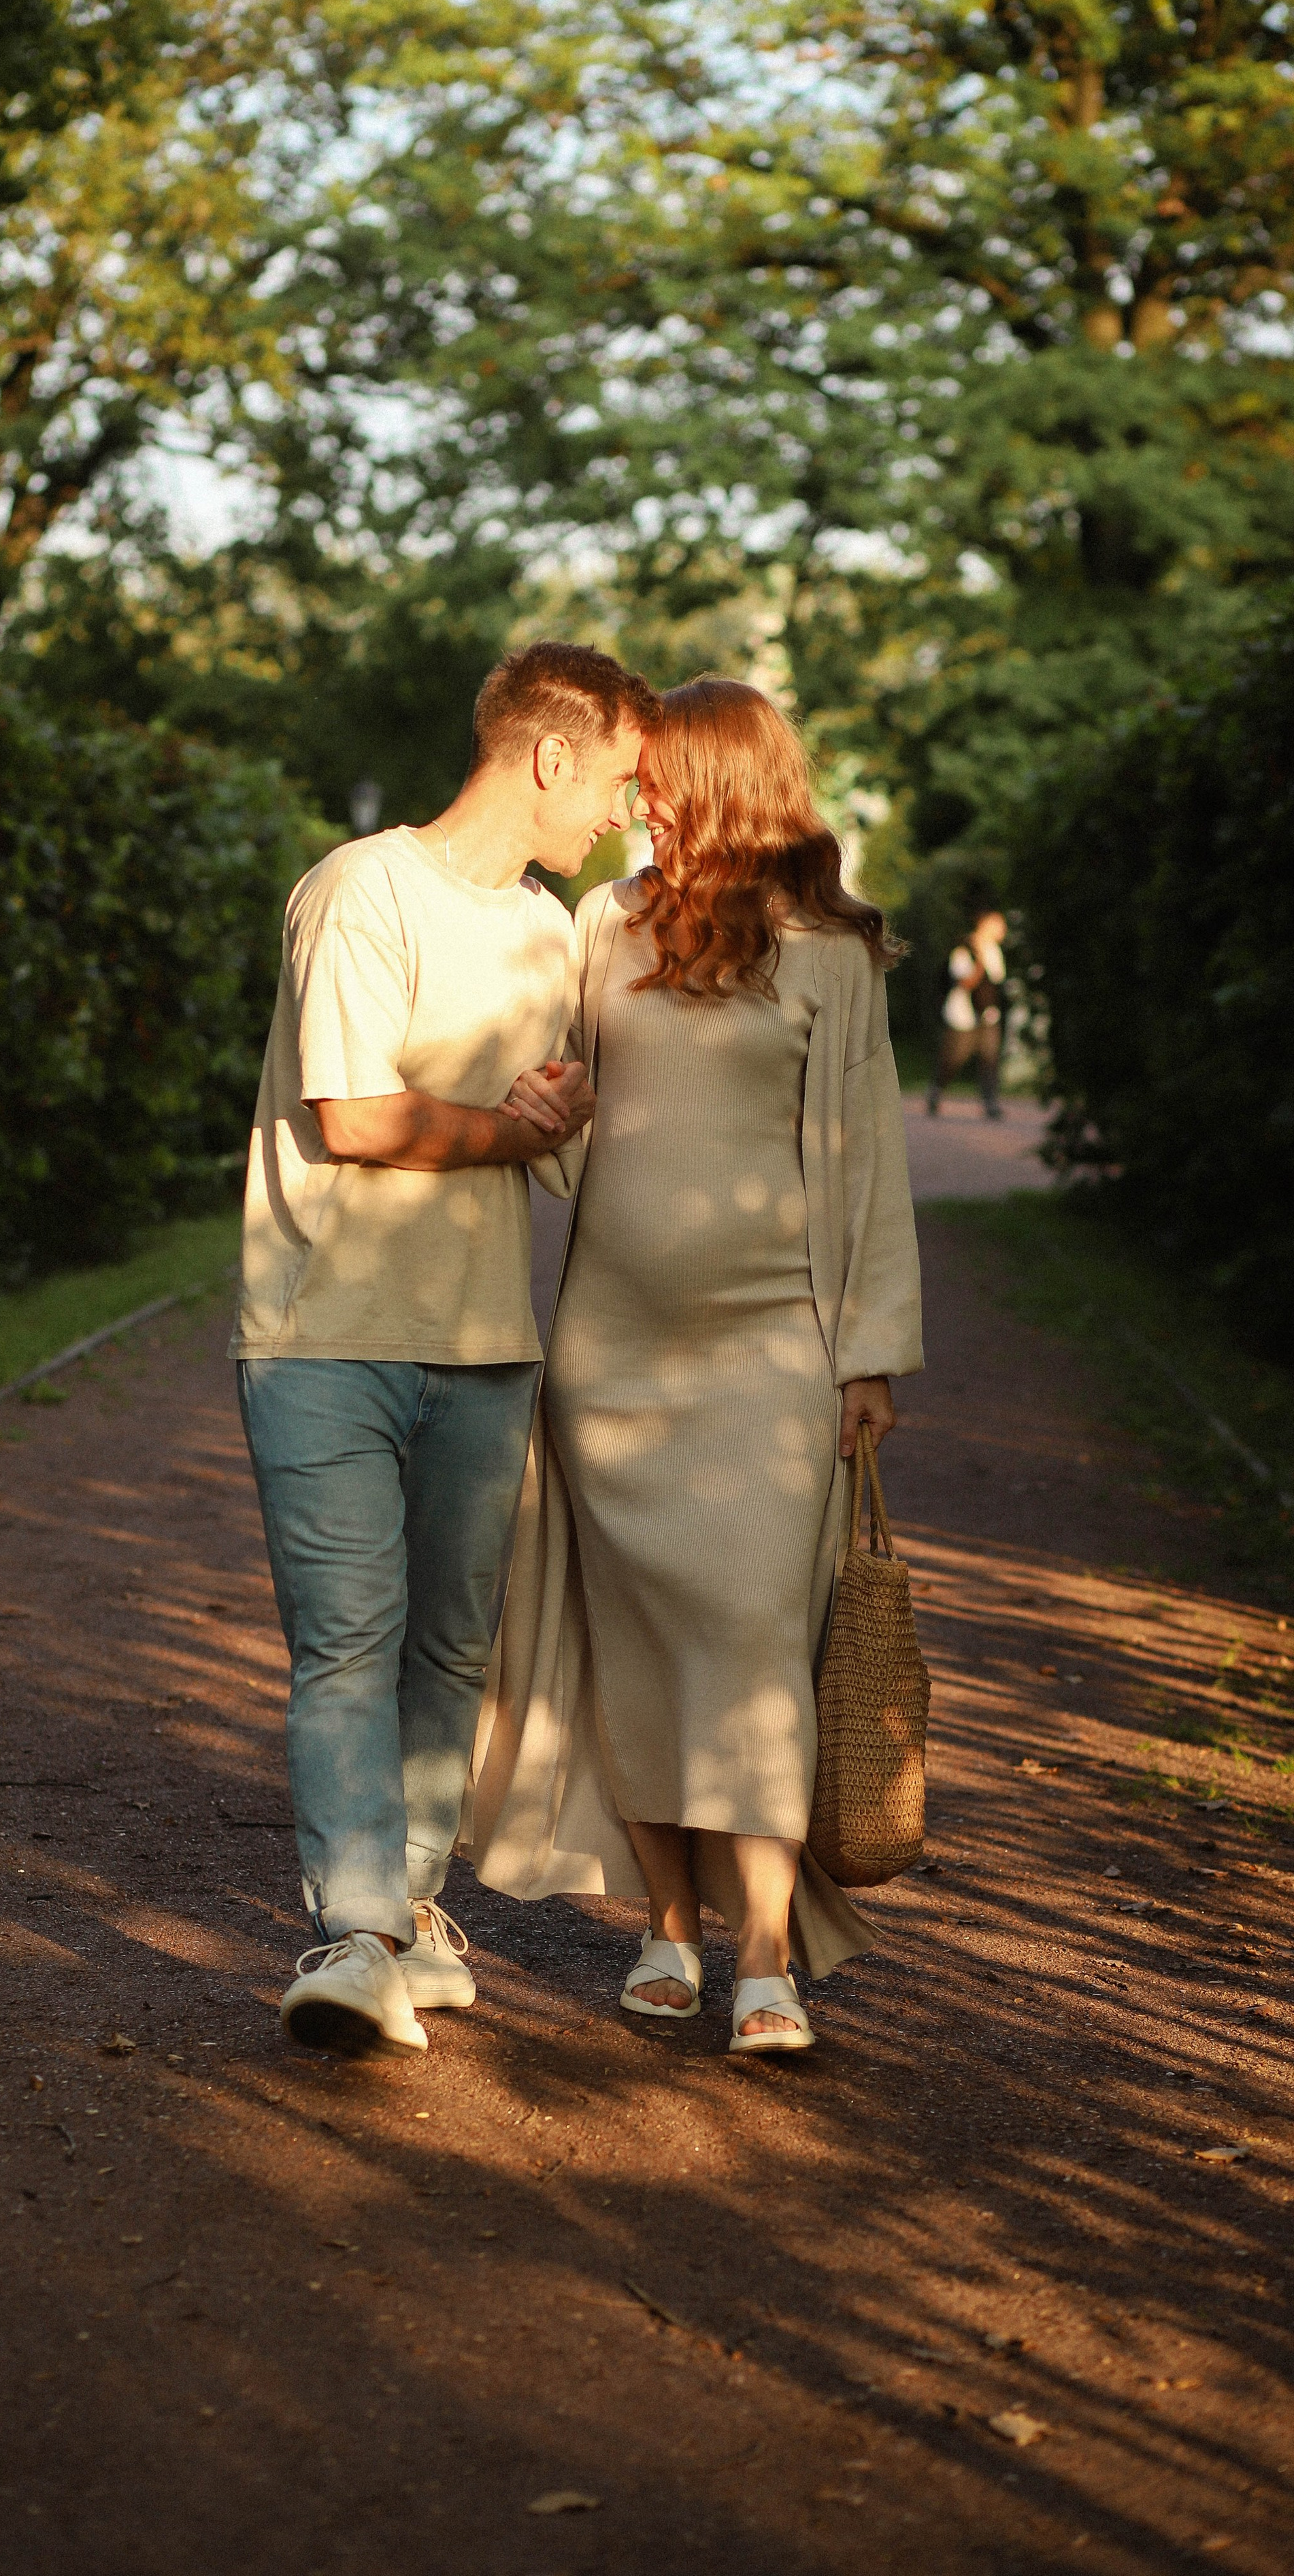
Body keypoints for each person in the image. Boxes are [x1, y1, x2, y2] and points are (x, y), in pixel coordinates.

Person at [463, 676, 923, 2054]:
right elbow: (561, 1129)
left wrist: (868, 1356)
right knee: (641, 1660)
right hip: (609, 1362)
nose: (635, 799)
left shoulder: (829, 954)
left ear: (719, 783)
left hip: (769, 1365)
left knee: (751, 1650)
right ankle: (668, 1927)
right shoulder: (604, 928)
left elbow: (868, 1164)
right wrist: (533, 1113)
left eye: (657, 777)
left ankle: (767, 1958)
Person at [233, 640, 661, 2057]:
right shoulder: (361, 889)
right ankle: (353, 1931)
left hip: (487, 1342)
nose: (613, 811)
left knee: (450, 1650)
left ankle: (406, 1915)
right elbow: (352, 1114)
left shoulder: (550, 934)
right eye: (607, 778)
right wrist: (513, 1128)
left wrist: (566, 1116)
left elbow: (545, 1146)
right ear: (547, 756)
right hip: (325, 1337)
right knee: (345, 1642)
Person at [926, 908, 1007, 1118]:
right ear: (985, 924)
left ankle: (990, 1103)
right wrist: (979, 961)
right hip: (963, 1017)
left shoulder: (995, 950)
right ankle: (936, 1091)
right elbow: (965, 982)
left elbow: (996, 983)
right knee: (953, 1059)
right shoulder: (963, 950)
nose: (1002, 929)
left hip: (988, 1015)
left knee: (990, 1059)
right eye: (998, 924)